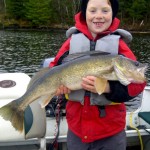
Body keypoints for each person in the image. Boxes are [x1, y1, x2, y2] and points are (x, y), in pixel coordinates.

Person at [49, 0, 146, 149]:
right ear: (84, 13)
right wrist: (59, 87)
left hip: (111, 132)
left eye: (105, 11)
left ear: (113, 14)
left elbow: (138, 85)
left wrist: (109, 88)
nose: (99, 16)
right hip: (77, 130)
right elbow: (53, 69)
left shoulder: (119, 46)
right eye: (93, 11)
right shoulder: (71, 42)